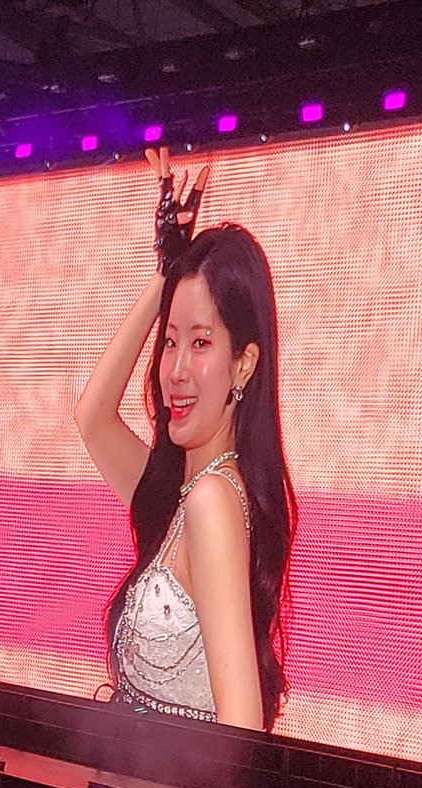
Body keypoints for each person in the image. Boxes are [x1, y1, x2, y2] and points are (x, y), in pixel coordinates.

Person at [73, 148, 294, 733]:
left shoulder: (211, 501)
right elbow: (92, 418)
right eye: (170, 341)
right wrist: (165, 272)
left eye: (200, 343)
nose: (175, 370)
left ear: (244, 364)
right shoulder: (183, 494)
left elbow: (241, 726)